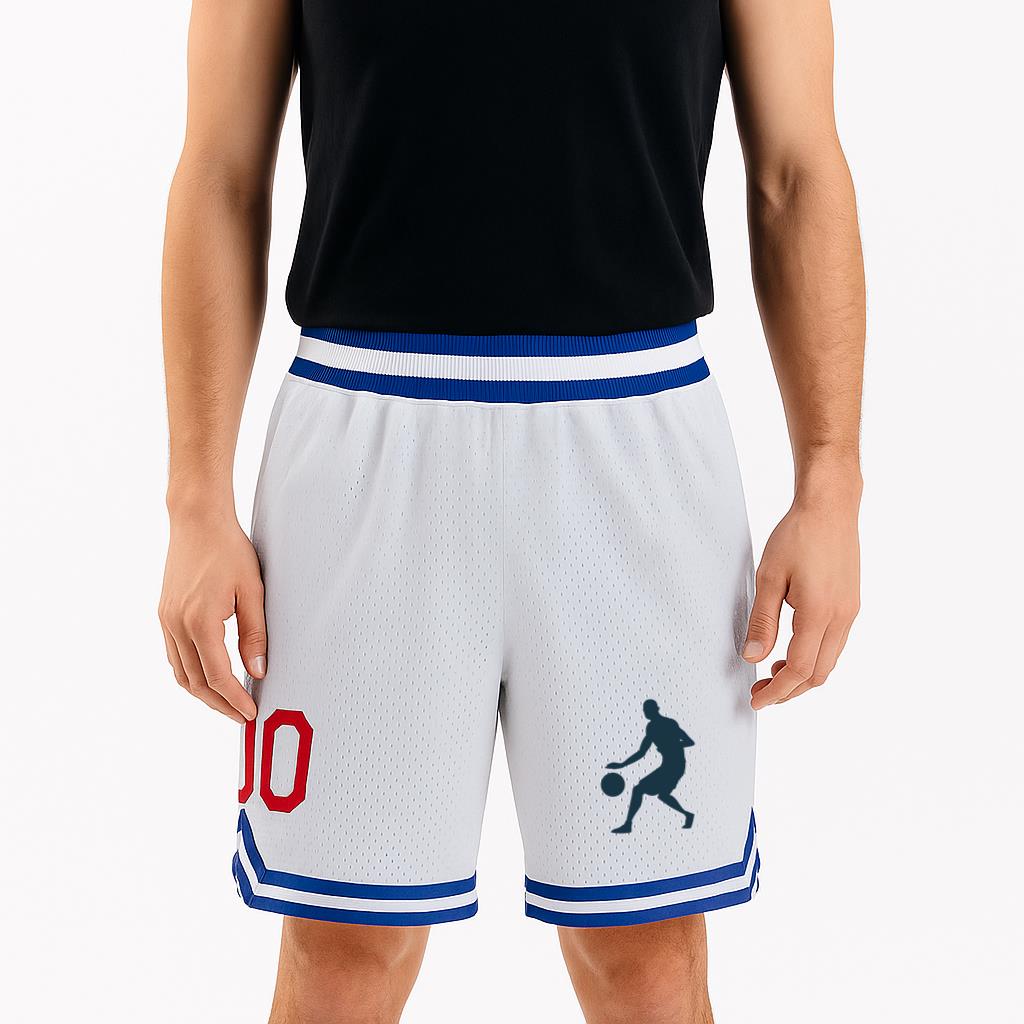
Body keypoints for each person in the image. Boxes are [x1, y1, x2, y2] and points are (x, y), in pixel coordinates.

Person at [158, 0, 864, 1020]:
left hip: (635, 444)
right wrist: (194, 501)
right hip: (363, 441)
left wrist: (831, 479)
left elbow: (795, 171)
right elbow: (221, 171)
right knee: (344, 951)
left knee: (648, 956)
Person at [607, 700, 697, 833]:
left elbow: (689, 742)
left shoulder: (669, 723)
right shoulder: (651, 728)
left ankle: (628, 825)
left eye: (647, 710)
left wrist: (671, 746)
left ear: (655, 709)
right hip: (667, 765)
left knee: (640, 789)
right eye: (644, 710)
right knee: (662, 795)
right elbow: (641, 752)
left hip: (676, 765)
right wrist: (622, 764)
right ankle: (688, 815)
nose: (645, 713)